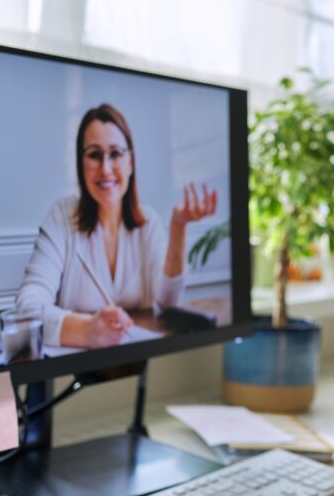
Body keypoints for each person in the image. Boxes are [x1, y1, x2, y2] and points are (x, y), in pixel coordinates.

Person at [17, 103, 217, 349]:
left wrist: (178, 229)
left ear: (131, 162)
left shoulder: (149, 223)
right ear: (81, 164)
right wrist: (86, 330)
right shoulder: (61, 217)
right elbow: (27, 309)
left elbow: (168, 304)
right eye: (94, 154)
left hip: (135, 363)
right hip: (73, 364)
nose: (106, 168)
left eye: (115, 154)